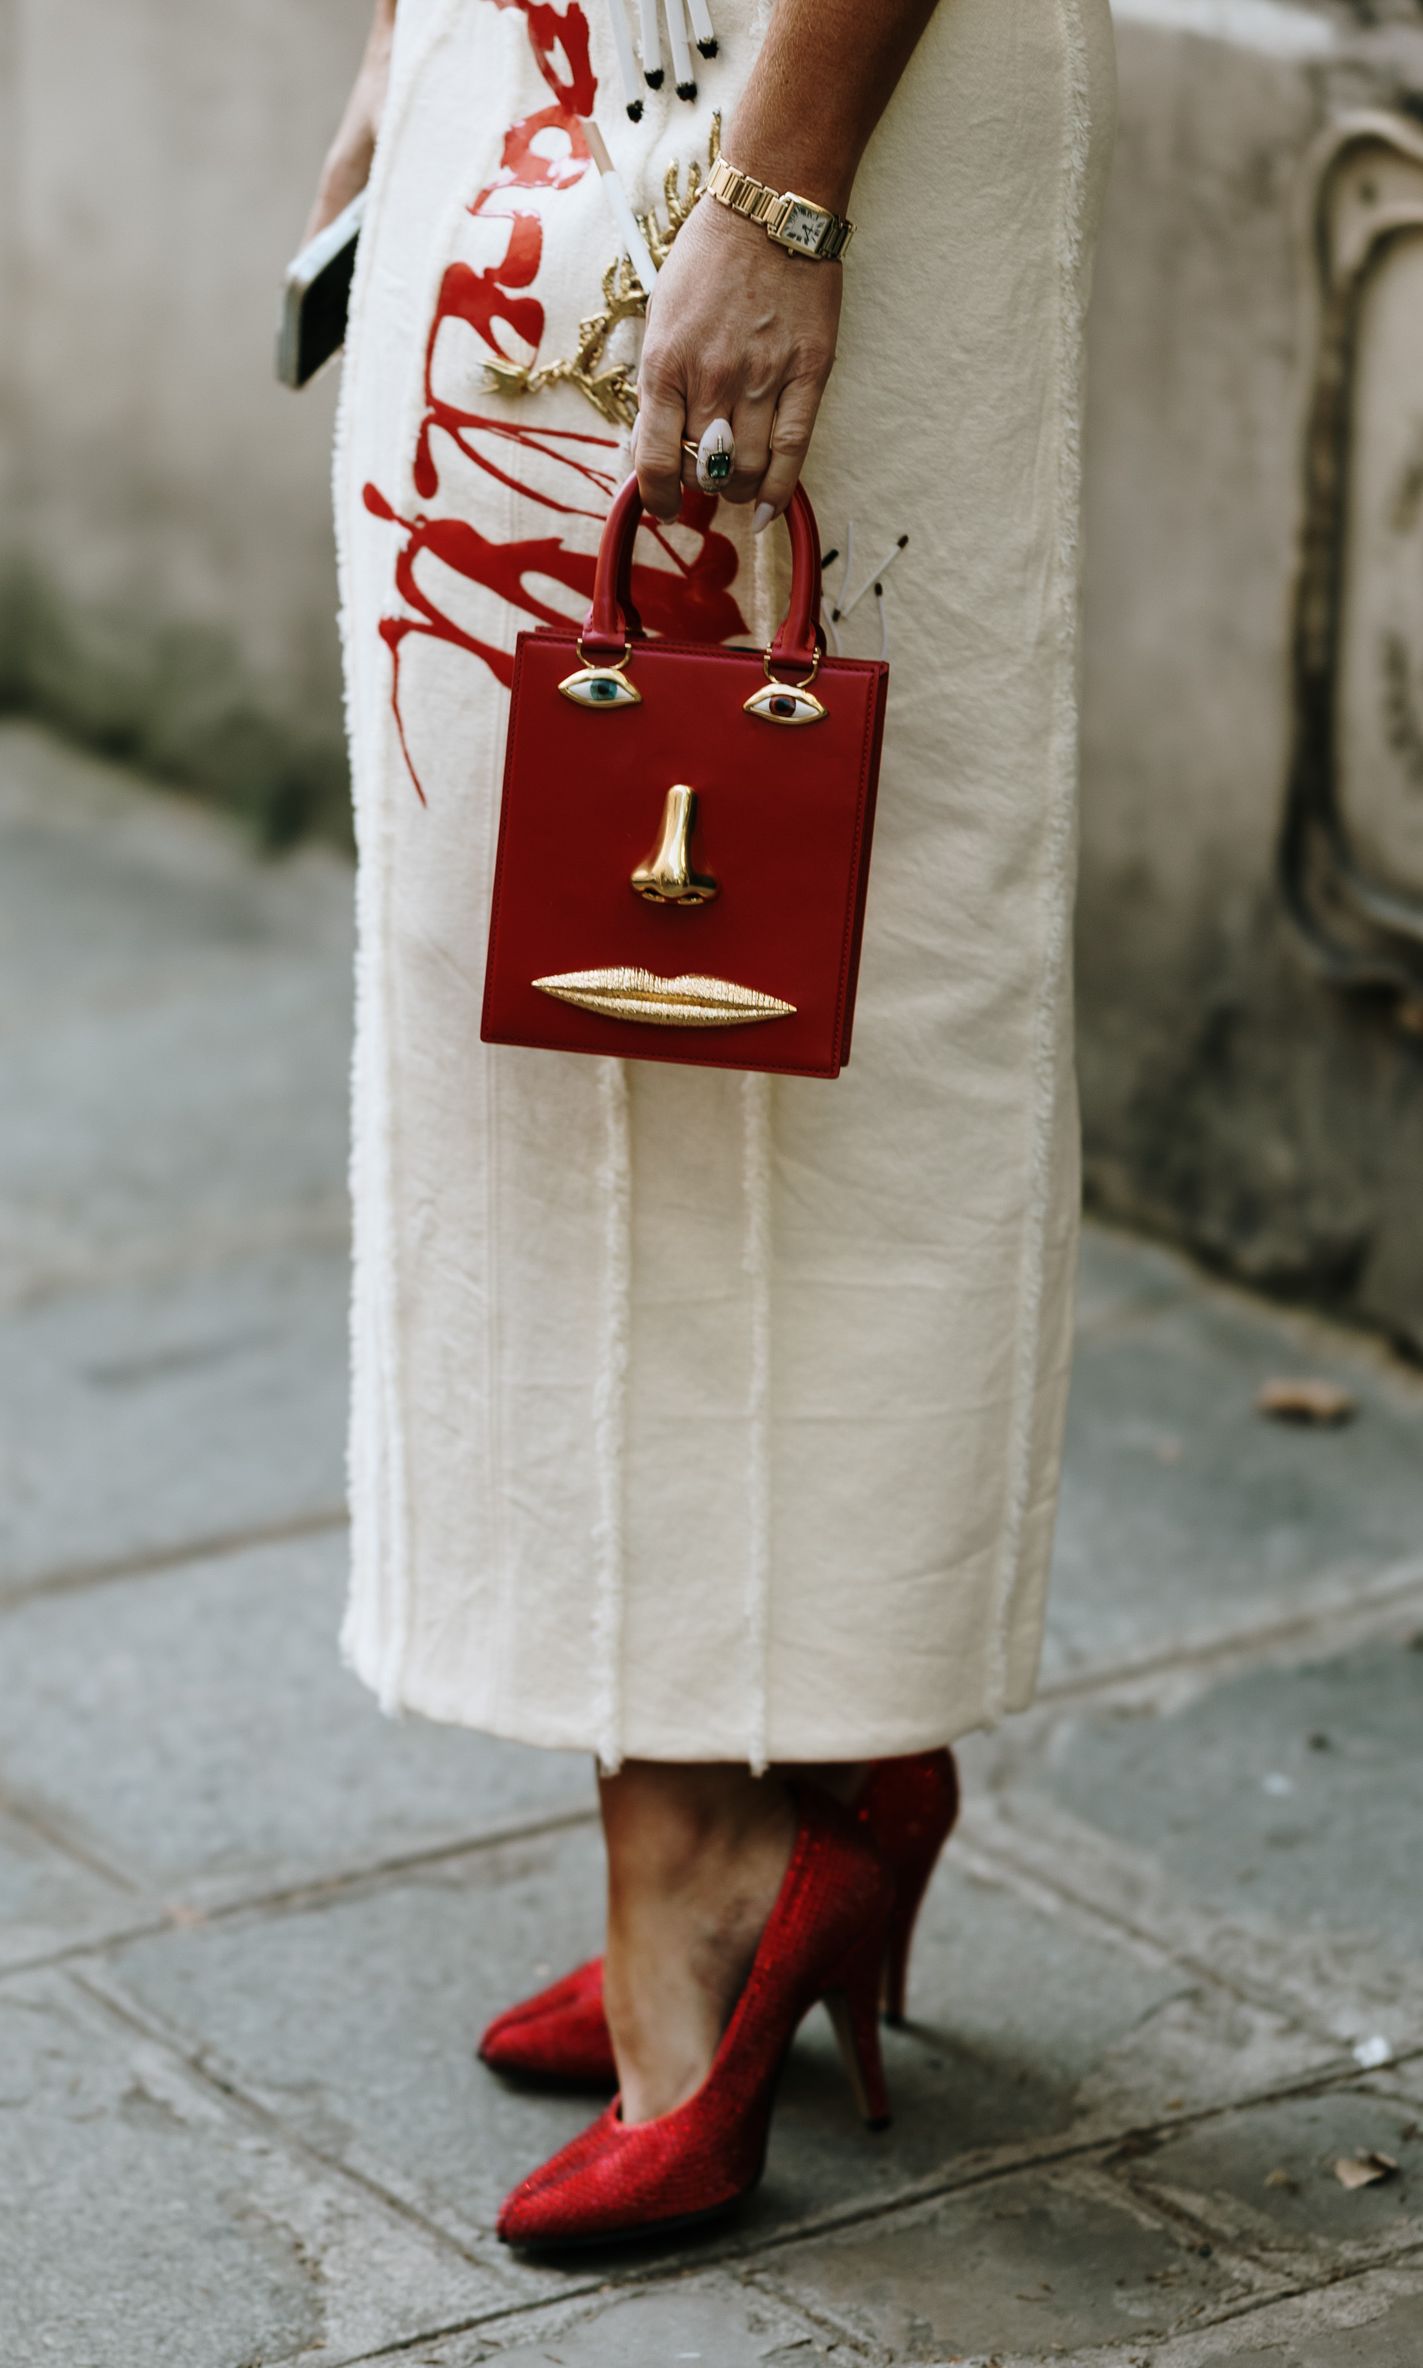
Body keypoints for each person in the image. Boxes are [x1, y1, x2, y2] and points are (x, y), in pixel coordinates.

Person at [305, 0, 1115, 2248]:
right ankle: (767, 1759)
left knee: (814, 908)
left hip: (823, 93)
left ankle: (728, 1831)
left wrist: (782, 184)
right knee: (530, 933)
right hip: (536, 76)